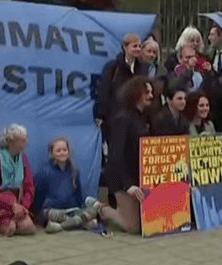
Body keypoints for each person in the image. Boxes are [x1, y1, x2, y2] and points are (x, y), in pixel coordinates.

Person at [100, 76, 155, 233]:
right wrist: (127, 185)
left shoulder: (144, 117)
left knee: (147, 222)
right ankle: (102, 209)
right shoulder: (122, 119)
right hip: (121, 179)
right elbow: (115, 156)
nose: (150, 96)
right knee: (133, 227)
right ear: (136, 94)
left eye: (151, 92)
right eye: (147, 92)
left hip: (138, 178)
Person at [32, 137, 101, 234]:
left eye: (64, 150)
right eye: (58, 150)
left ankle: (61, 225)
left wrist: (83, 209)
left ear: (68, 152)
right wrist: (38, 216)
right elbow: (38, 197)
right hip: (52, 211)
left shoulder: (74, 170)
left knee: (96, 205)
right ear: (51, 153)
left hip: (72, 210)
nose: (62, 153)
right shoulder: (43, 172)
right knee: (87, 220)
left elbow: (78, 194)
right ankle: (79, 222)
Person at [0, 125, 37, 236]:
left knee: (28, 228)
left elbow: (29, 185)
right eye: (22, 141)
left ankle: (14, 220)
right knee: (9, 229)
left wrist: (24, 207)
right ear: (10, 141)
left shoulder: (22, 158)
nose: (26, 144)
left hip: (18, 205)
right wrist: (11, 205)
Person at [96, 33, 148, 139]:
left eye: (140, 46)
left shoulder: (143, 68)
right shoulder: (113, 68)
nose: (138, 49)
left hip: (136, 120)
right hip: (116, 120)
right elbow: (104, 91)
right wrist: (101, 115)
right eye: (134, 46)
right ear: (125, 47)